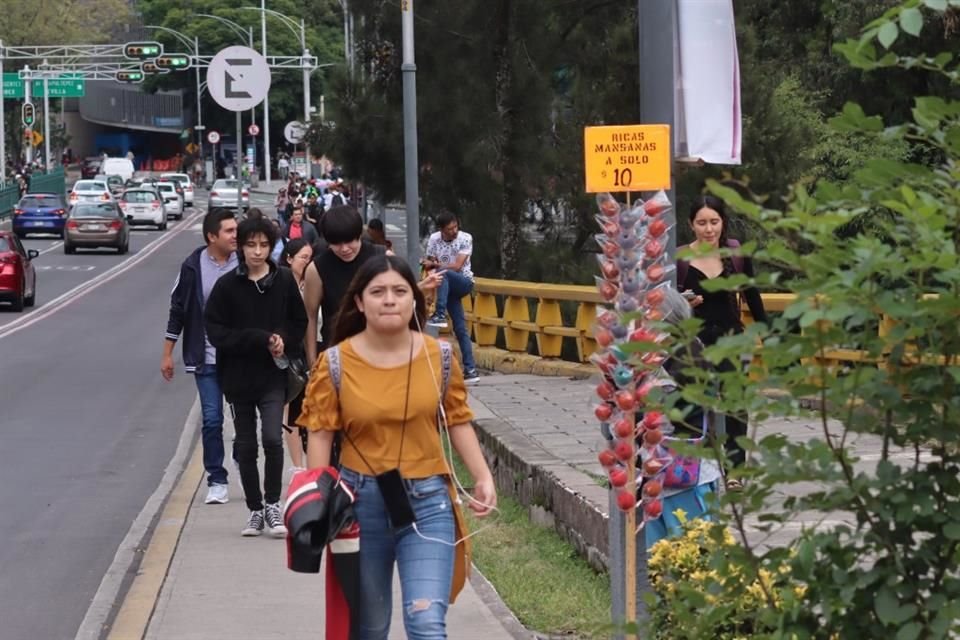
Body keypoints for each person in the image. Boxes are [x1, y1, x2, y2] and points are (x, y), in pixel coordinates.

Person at [299, 254, 497, 639]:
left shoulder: (438, 357)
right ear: (359, 302)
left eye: (399, 291)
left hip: (428, 502)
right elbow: (321, 434)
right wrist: (317, 501)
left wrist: (482, 476)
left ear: (415, 300)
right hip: (358, 507)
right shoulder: (335, 364)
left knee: (425, 622)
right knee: (369, 629)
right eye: (377, 292)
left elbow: (456, 419)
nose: (389, 300)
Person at [204, 217, 308, 537]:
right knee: (246, 445)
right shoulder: (227, 286)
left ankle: (274, 505)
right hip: (237, 377)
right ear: (241, 247)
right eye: (251, 245)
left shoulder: (285, 281)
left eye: (264, 245)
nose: (258, 252)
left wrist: (281, 339)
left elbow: (298, 322)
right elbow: (216, 331)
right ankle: (255, 509)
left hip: (273, 375)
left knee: (273, 439)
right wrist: (255, 337)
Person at [677, 195, 767, 483]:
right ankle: (695, 470)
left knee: (736, 404)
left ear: (722, 222)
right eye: (702, 223)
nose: (708, 229)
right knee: (691, 405)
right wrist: (684, 304)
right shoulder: (679, 259)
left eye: (714, 222)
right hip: (694, 341)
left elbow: (752, 295)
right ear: (691, 225)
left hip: (731, 338)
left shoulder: (736, 254)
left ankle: (735, 471)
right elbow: (666, 304)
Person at [161, 208, 239, 505]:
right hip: (205, 358)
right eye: (229, 231)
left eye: (236, 230)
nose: (235, 236)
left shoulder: (244, 263)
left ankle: (241, 462)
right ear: (212, 236)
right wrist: (167, 353)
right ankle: (216, 479)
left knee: (243, 419)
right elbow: (178, 310)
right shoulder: (193, 266)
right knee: (211, 419)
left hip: (240, 357)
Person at [638, 287, 722, 548]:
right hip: (657, 483)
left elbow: (693, 417)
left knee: (696, 561)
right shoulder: (656, 359)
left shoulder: (688, 358)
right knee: (661, 567)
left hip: (686, 478)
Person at [424, 213, 480, 384]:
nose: (454, 231)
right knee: (460, 328)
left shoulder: (465, 238)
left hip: (463, 282)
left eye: (456, 227)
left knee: (446, 273)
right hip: (446, 288)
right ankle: (470, 370)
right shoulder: (434, 239)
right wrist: (430, 266)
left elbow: (456, 266)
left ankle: (440, 314)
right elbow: (429, 263)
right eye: (450, 229)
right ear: (442, 230)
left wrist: (436, 266)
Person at [279, 238, 313, 474]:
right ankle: (298, 468)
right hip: (290, 356)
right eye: (303, 258)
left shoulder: (315, 283)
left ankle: (313, 466)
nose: (308, 263)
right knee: (291, 411)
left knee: (313, 412)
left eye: (310, 258)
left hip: (314, 352)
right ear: (289, 259)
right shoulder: (280, 284)